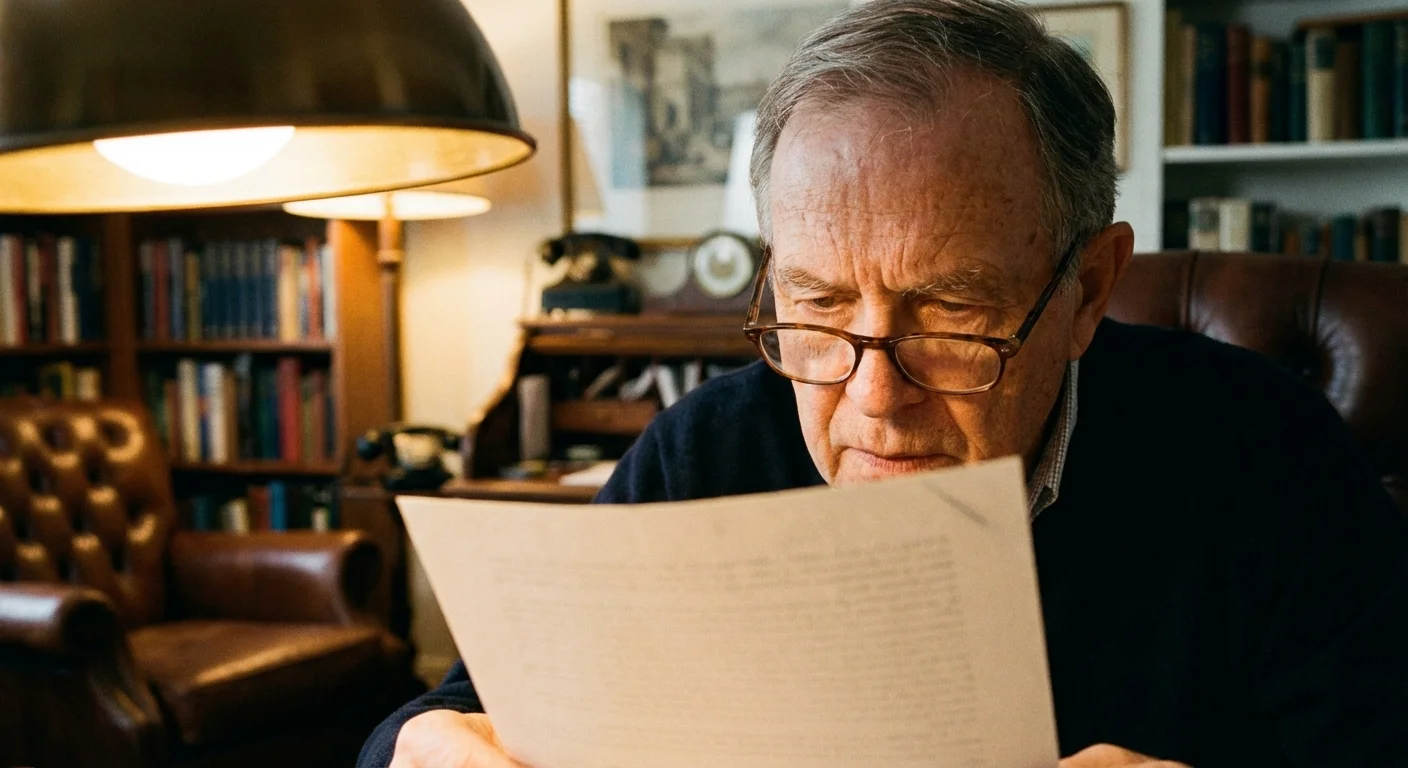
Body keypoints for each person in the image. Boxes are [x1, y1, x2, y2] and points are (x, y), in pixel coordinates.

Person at [363, 1, 1408, 766]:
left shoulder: (1265, 450)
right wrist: (425, 746)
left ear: (1088, 289)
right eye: (816, 308)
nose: (872, 399)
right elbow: (449, 717)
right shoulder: (706, 451)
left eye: (951, 314)